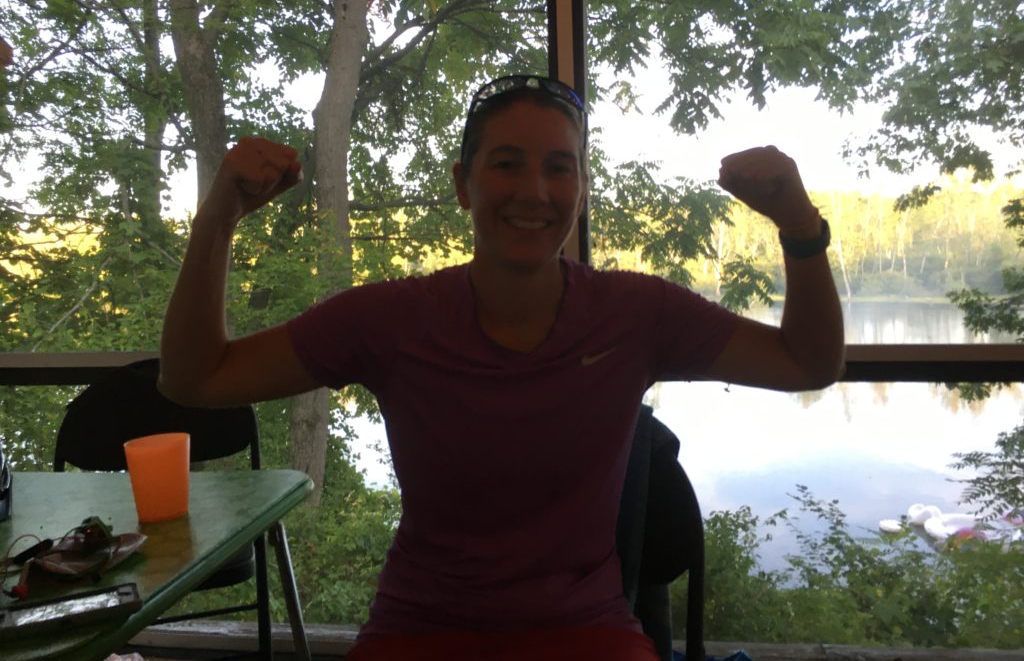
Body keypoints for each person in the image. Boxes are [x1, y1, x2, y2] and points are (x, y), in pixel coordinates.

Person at [159, 74, 844, 661]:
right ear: (463, 184)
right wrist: (218, 217)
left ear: (579, 186)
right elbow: (196, 378)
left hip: (587, 631)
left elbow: (807, 361)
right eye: (507, 164)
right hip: (421, 629)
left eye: (559, 167)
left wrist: (799, 225)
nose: (535, 191)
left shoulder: (637, 312)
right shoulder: (389, 320)